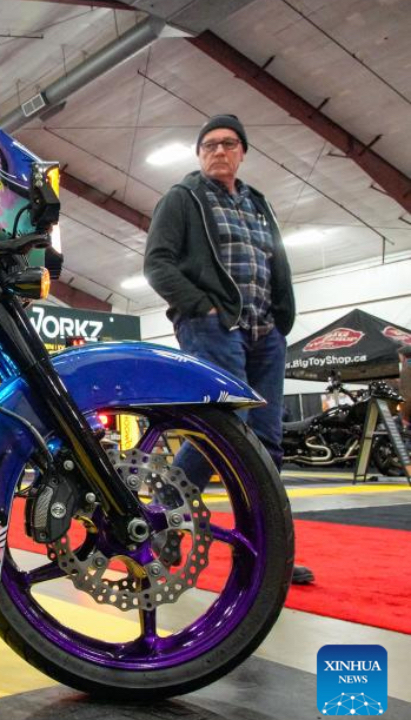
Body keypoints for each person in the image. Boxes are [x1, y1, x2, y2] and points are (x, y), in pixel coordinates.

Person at [144, 114, 314, 585]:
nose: (219, 151)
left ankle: (268, 551)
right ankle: (162, 526)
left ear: (242, 152)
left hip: (266, 334)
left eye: (229, 144)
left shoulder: (258, 204)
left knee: (267, 442)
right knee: (221, 429)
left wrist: (281, 321)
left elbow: (274, 262)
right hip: (214, 328)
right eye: (210, 145)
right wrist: (202, 308)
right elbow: (157, 264)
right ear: (200, 155)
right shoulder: (183, 199)